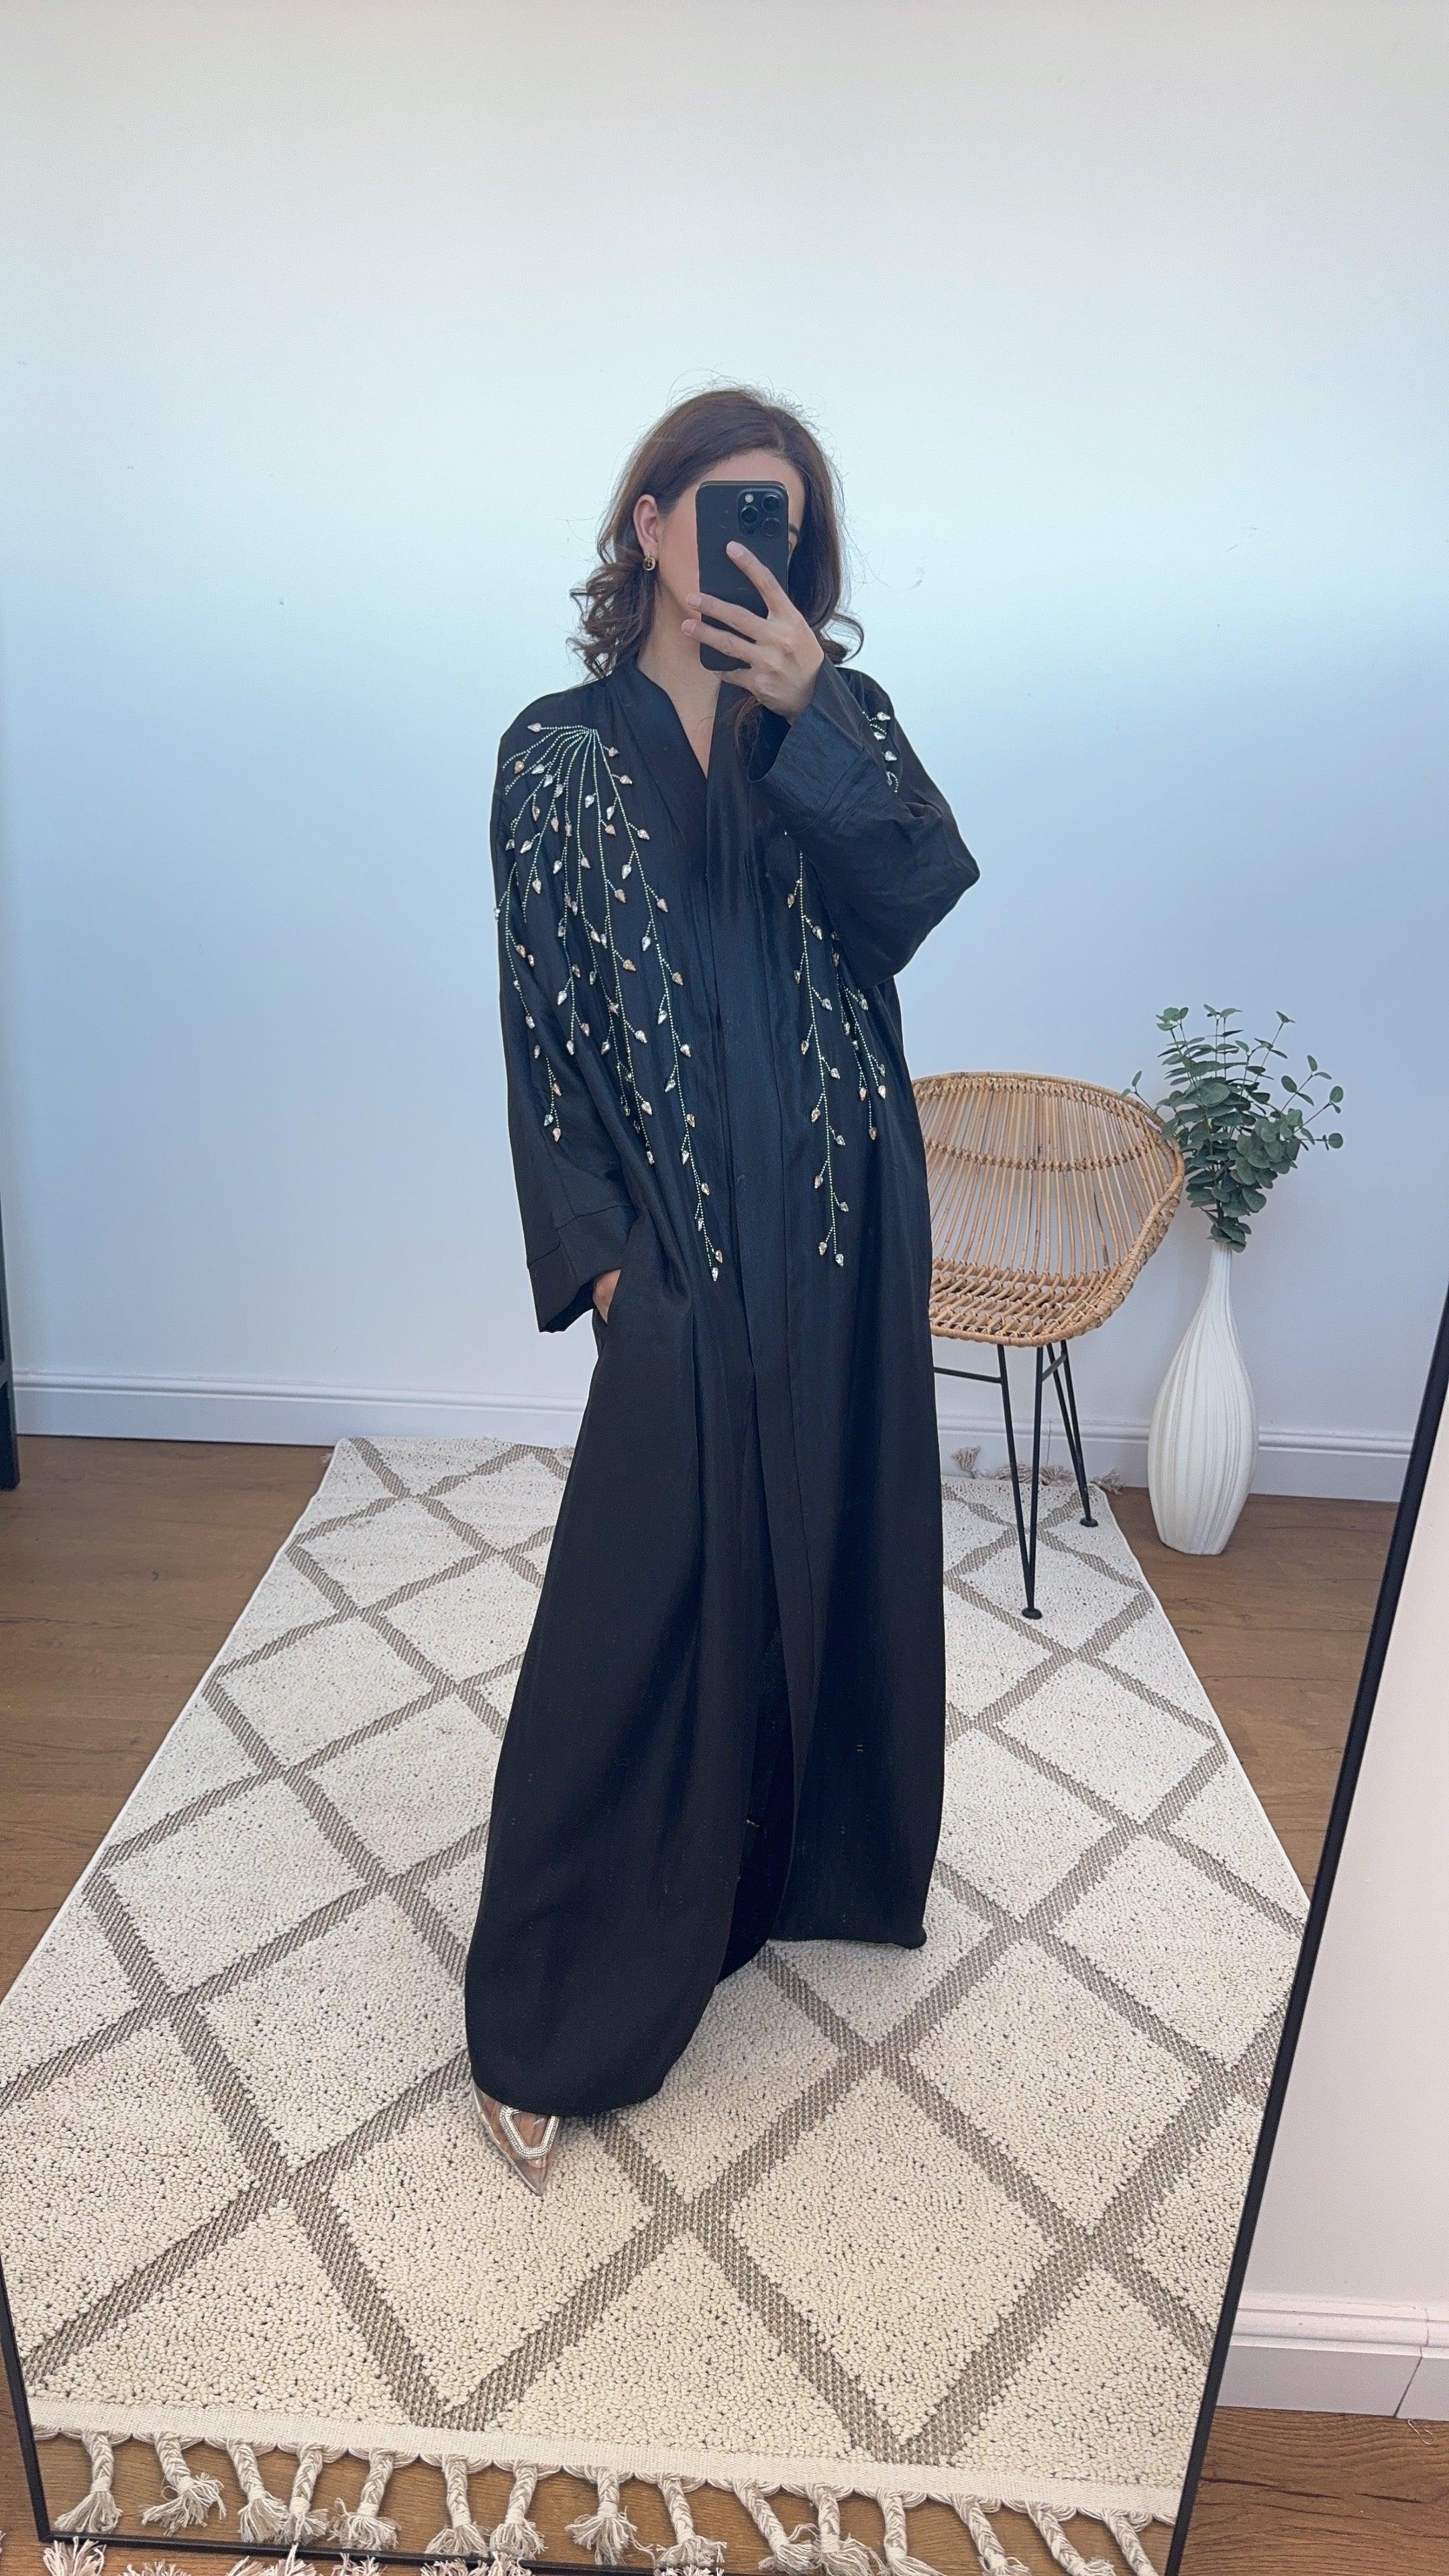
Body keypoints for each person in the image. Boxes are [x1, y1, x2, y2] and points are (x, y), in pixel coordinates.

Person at [466, 386, 979, 2195]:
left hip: (840, 1217)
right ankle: (558, 2000)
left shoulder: (840, 718)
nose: (761, 545)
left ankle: (796, 1865)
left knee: (831, 1536)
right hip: (678, 1249)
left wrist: (813, 718)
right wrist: (603, 1256)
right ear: (651, 522)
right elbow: (541, 1021)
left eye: (791, 522)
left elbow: (914, 898)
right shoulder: (553, 756)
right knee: (639, 1598)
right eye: (731, 507)